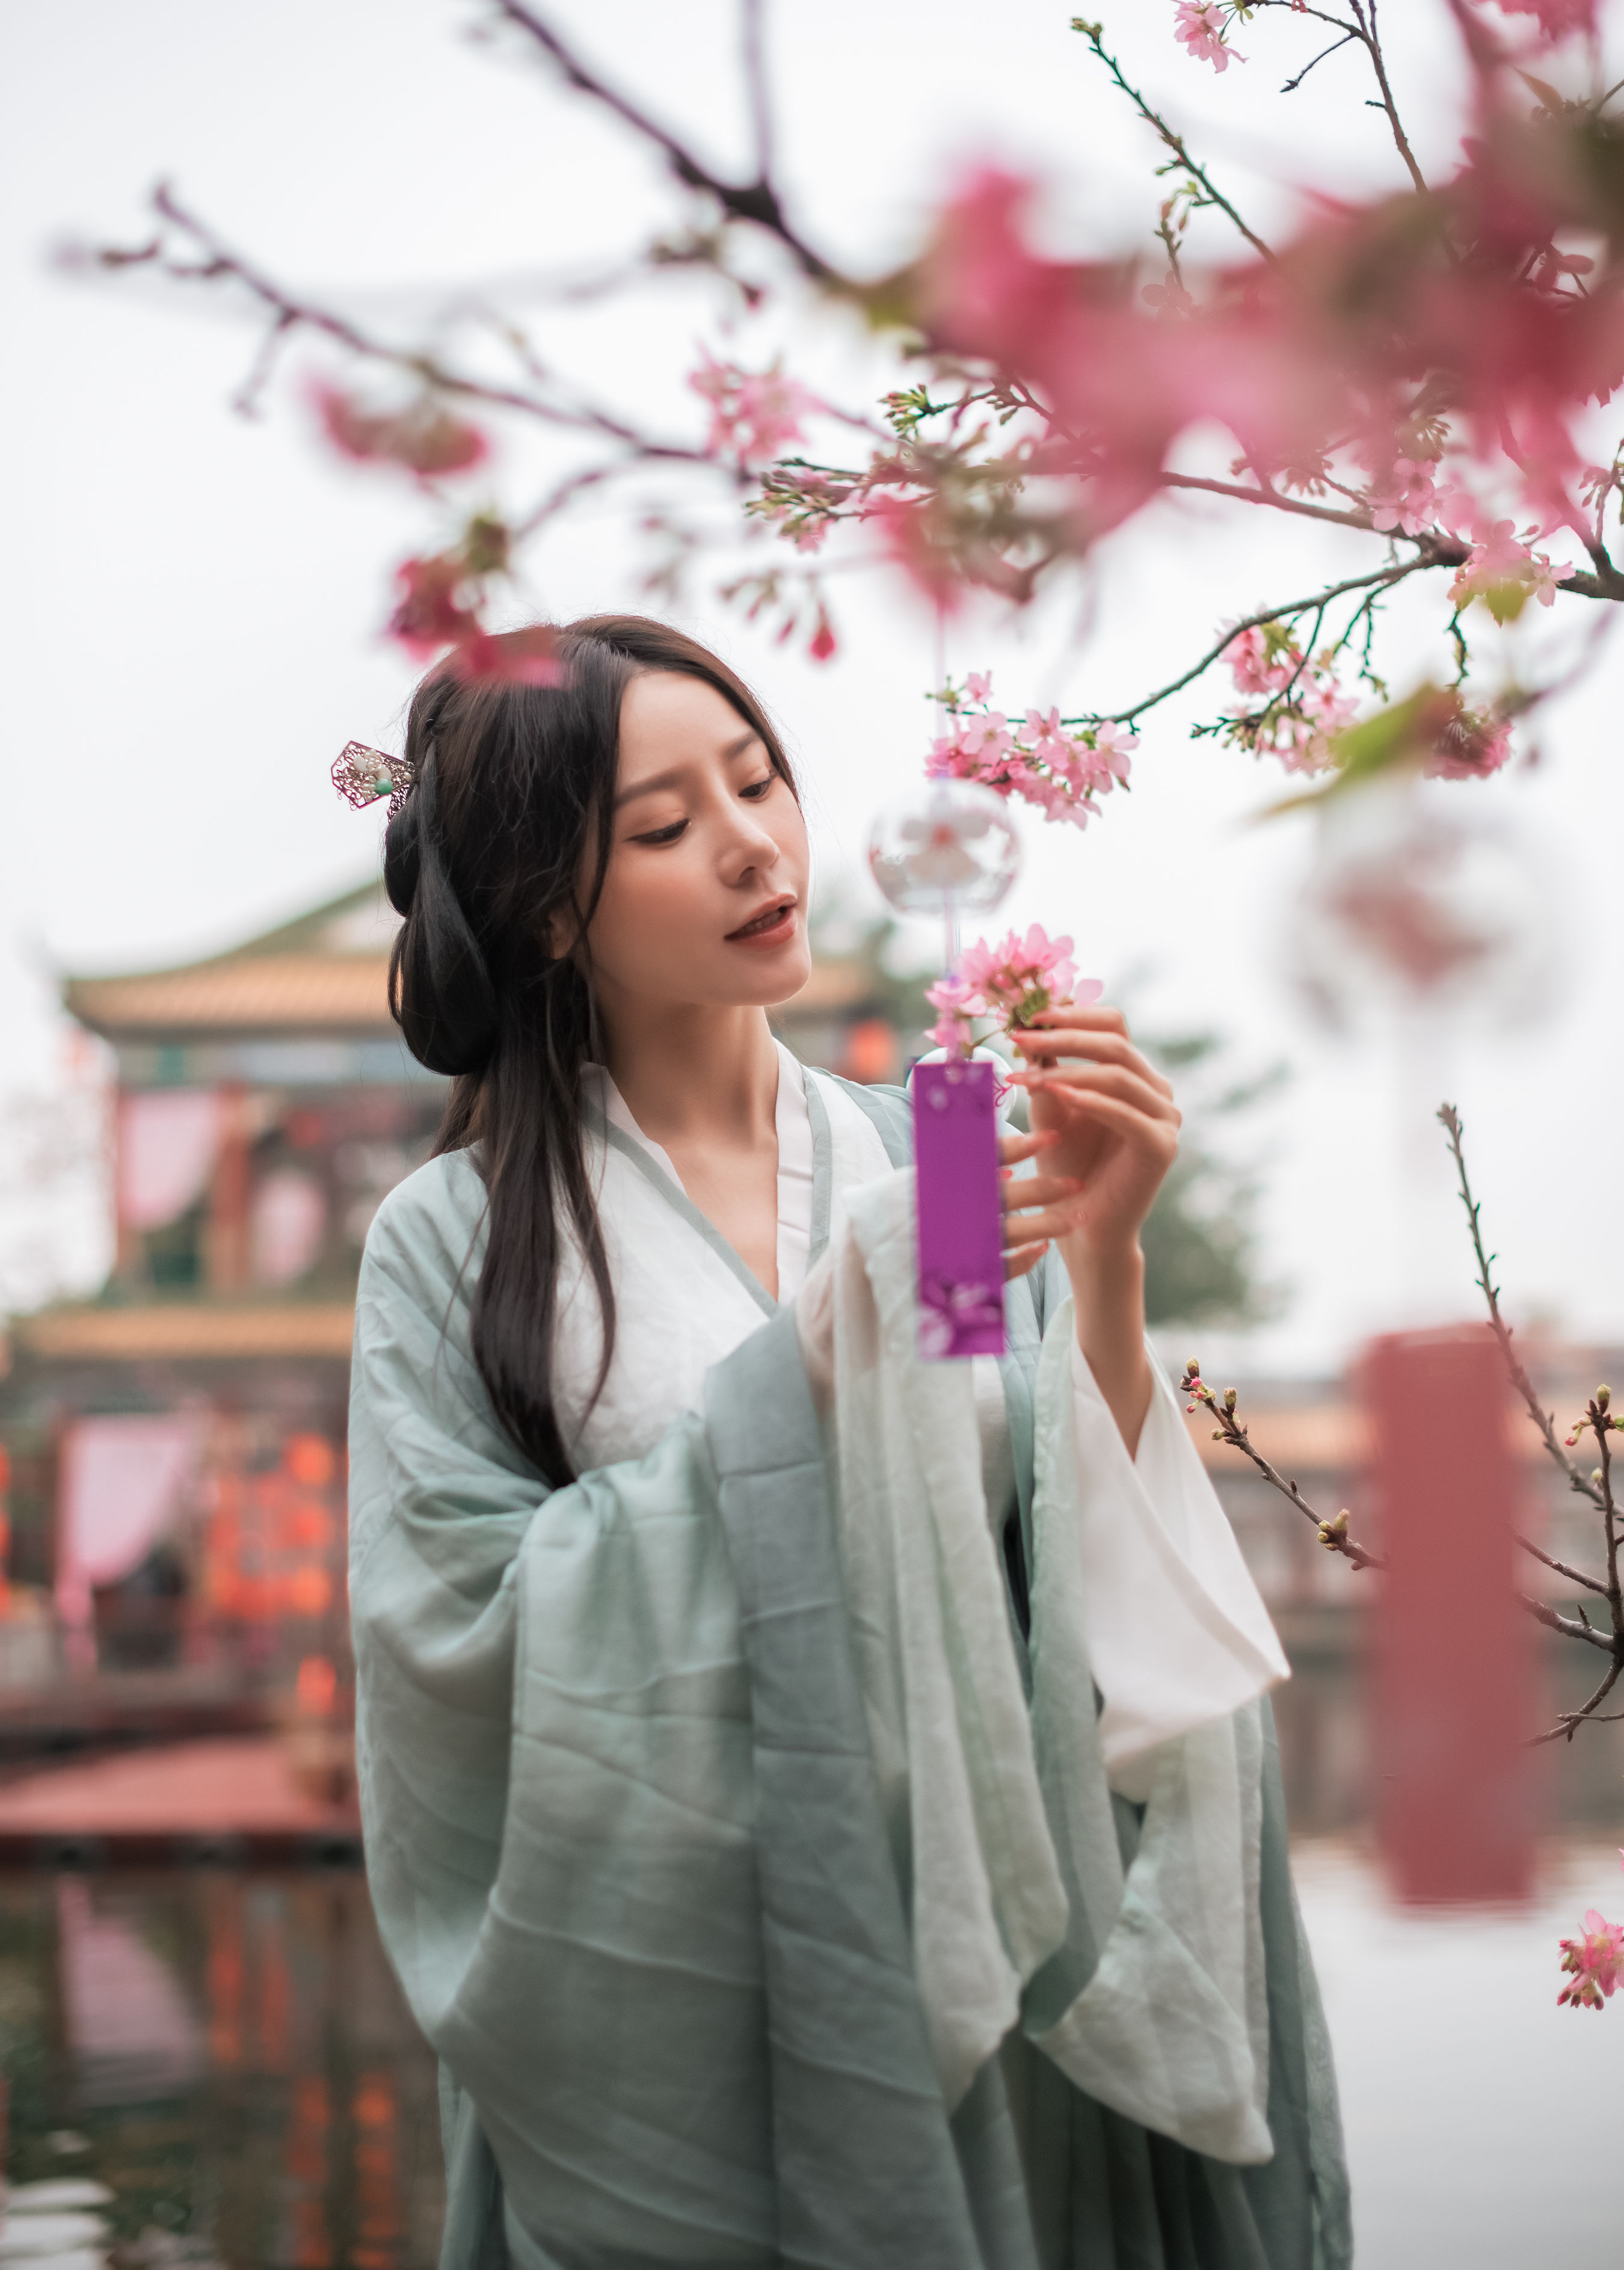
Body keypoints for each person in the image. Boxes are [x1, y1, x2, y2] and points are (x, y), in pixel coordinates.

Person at [346, 613, 1350, 2270]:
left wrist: (1107, 1267)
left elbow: (1024, 1512)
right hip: (697, 1970)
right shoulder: (460, 1237)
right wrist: (808, 1361)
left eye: (758, 780)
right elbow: (453, 1632)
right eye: (665, 826)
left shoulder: (932, 1158)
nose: (752, 843)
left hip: (974, 1925)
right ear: (542, 907)